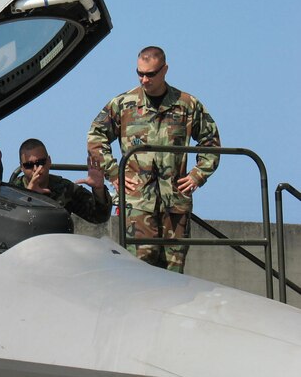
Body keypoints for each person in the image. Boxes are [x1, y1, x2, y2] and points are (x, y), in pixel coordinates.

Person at [87, 45, 220, 273]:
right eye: (140, 73)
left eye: (151, 74)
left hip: (175, 202)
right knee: (138, 271)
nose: (144, 80)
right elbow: (95, 136)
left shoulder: (187, 105)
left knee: (174, 273)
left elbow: (211, 141)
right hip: (138, 203)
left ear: (165, 70)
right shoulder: (123, 104)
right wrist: (114, 173)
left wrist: (198, 175)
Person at [11, 138, 111, 224]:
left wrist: (99, 190)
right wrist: (29, 197)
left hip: (58, 243)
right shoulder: (12, 191)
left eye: (41, 162)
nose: (36, 168)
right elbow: (9, 226)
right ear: (21, 167)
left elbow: (99, 216)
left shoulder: (64, 188)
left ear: (49, 161)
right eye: (29, 165)